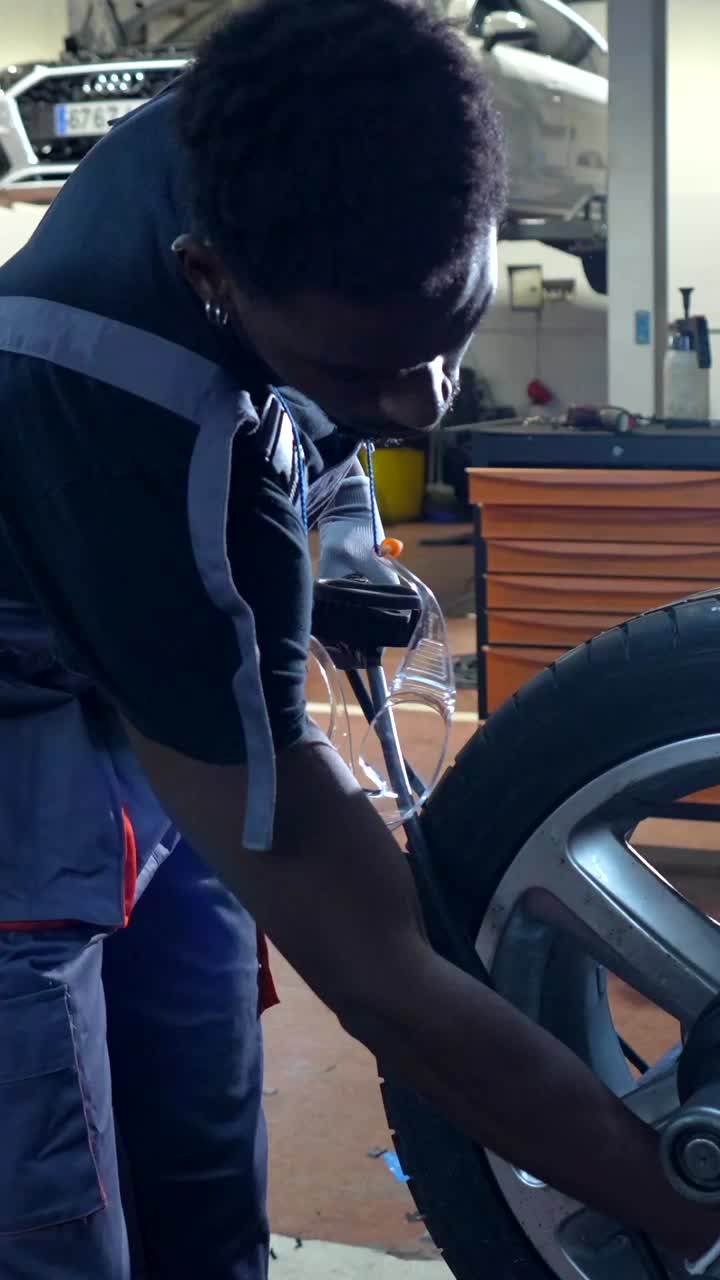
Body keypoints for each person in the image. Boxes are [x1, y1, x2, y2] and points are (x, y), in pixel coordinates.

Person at [0, 1, 718, 1276]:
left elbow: (307, 417)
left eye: (449, 329)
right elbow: (378, 973)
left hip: (141, 690)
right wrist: (678, 1209)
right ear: (211, 280)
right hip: (16, 750)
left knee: (200, 1145)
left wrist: (332, 546)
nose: (422, 401)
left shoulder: (302, 159)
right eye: (366, 371)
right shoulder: (118, 419)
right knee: (57, 1198)